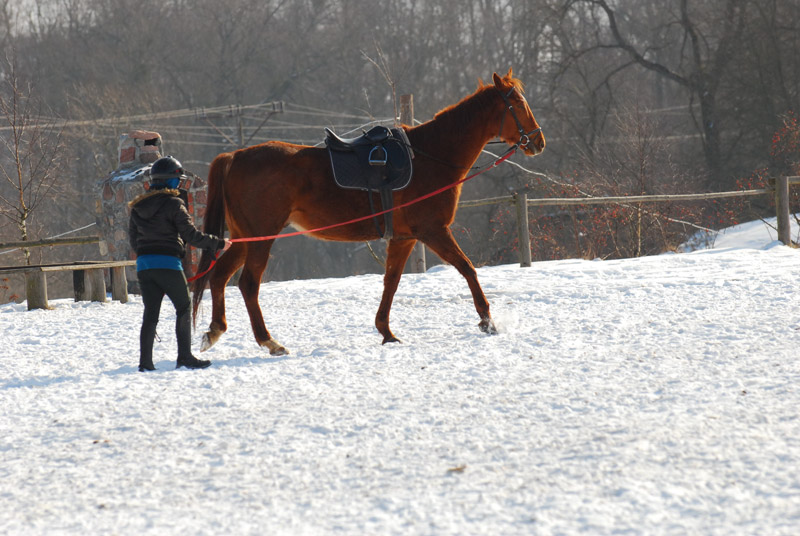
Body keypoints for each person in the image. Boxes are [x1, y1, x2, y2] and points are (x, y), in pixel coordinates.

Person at [128, 155, 231, 372]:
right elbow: (192, 236)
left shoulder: (137, 206)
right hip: (168, 264)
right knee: (184, 307)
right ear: (170, 180)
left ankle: (145, 363)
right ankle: (184, 357)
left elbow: (134, 241)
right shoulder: (174, 204)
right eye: (177, 180)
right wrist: (219, 243)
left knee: (150, 315)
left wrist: (149, 256)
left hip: (144, 266)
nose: (179, 184)